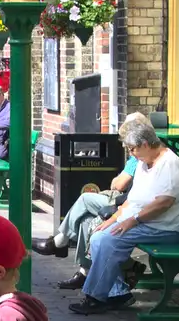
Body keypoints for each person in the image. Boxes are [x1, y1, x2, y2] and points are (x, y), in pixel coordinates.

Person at [69, 119, 179, 315]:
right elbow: (132, 201)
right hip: (148, 222)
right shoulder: (144, 162)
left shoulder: (169, 164)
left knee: (109, 240)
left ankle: (95, 297)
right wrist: (111, 220)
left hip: (166, 227)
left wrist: (131, 221)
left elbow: (164, 202)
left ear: (145, 144)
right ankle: (118, 293)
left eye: (132, 148)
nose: (130, 153)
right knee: (98, 235)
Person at [31, 113, 149, 290]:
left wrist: (117, 181)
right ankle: (84, 272)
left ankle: (59, 242)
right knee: (86, 221)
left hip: (127, 204)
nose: (126, 143)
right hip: (126, 201)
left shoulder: (139, 156)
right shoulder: (139, 153)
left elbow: (120, 184)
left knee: (85, 199)